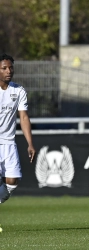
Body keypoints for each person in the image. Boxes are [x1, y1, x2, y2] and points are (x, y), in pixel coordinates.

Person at [0, 53, 35, 231]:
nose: (8, 71)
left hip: (9, 142)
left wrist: (30, 143)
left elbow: (24, 117)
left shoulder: (18, 90)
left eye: (10, 67)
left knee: (12, 181)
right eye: (4, 68)